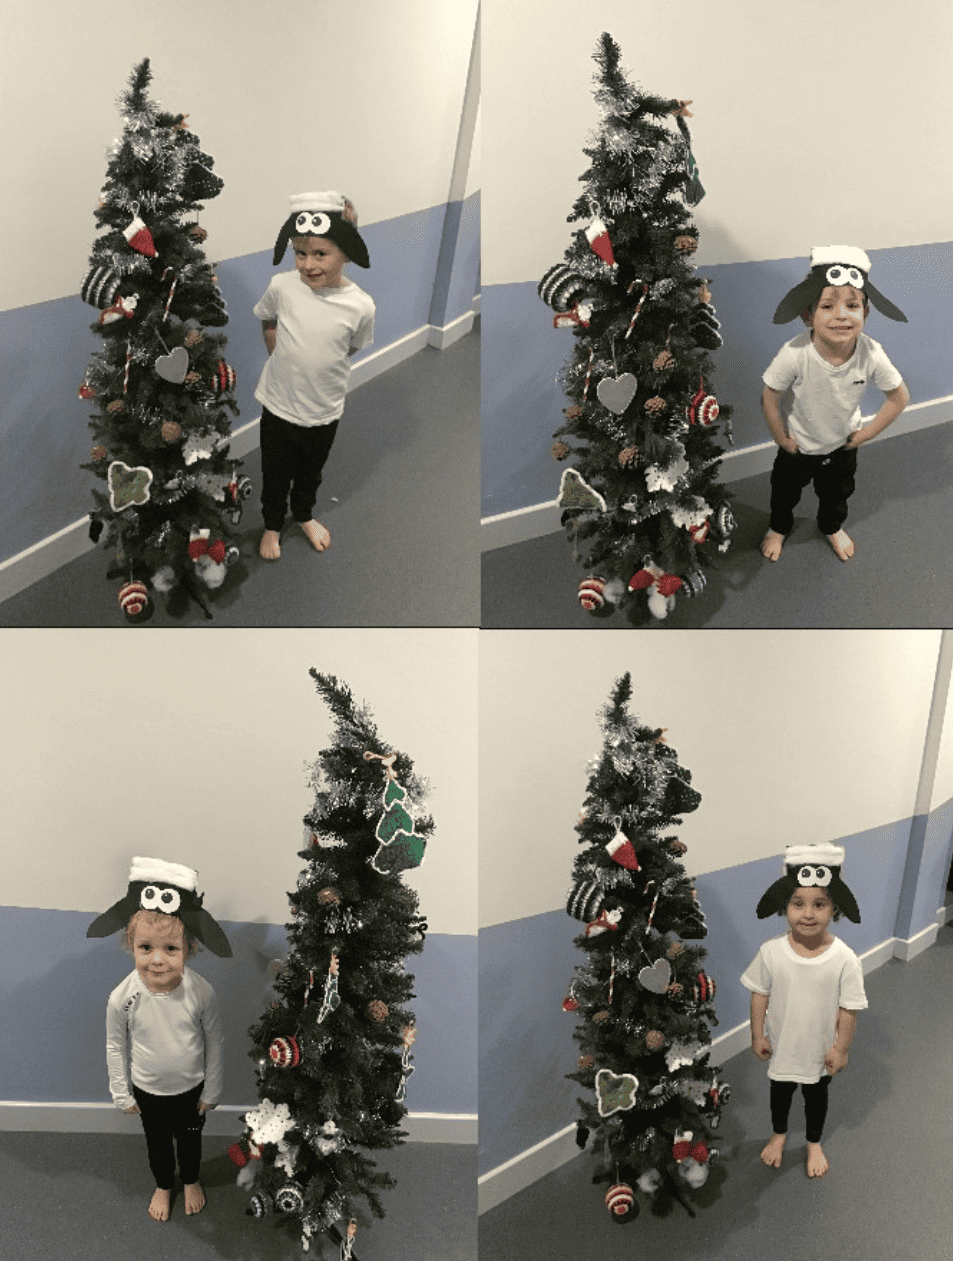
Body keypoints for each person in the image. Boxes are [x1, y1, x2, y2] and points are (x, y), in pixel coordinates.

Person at [87, 857, 231, 1221]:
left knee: (190, 1141)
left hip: (191, 1090)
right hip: (147, 1090)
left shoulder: (202, 992)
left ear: (190, 950)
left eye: (171, 949)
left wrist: (212, 1090)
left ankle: (192, 1179)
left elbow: (215, 1040)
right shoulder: (122, 997)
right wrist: (121, 1091)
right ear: (131, 946)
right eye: (146, 948)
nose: (158, 961)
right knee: (158, 1146)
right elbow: (115, 1045)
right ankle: (165, 1184)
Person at [760, 246, 908, 563]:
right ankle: (778, 527)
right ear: (807, 315)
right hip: (798, 448)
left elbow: (899, 397)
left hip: (842, 446)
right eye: (827, 306)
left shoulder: (871, 353)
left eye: (852, 305)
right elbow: (769, 394)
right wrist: (781, 438)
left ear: (865, 313)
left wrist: (866, 433)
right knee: (784, 493)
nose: (841, 314)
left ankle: (831, 526)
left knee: (837, 494)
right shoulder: (795, 353)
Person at [253, 191, 376, 561]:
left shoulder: (361, 306)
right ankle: (273, 523)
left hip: (323, 409)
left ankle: (303, 513)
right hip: (278, 404)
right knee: (274, 470)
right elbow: (268, 318)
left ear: (347, 252)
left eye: (320, 253)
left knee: (310, 471)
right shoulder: (282, 286)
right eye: (300, 253)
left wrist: (317, 363)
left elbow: (350, 347)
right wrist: (280, 353)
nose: (308, 264)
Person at [741, 845, 867, 1178]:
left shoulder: (845, 959)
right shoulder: (770, 952)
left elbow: (850, 1008)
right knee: (779, 1096)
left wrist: (841, 1049)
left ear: (834, 908)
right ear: (785, 906)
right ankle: (779, 1134)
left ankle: (813, 1142)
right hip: (782, 1047)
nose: (808, 914)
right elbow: (760, 993)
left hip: (819, 1051)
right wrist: (757, 1034)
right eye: (798, 903)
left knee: (816, 1099)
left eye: (819, 904)